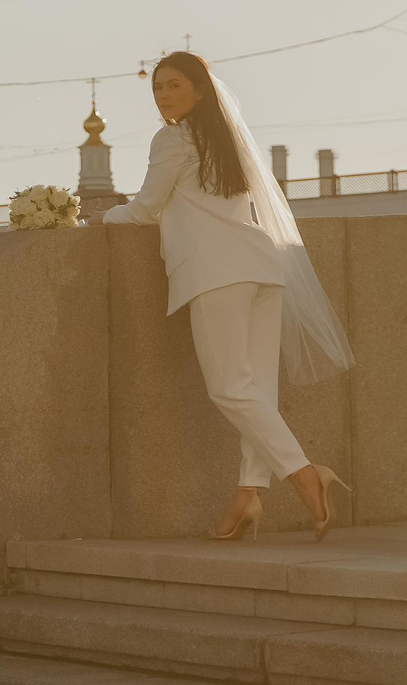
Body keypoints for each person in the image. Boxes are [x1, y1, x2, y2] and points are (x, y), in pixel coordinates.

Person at [103, 51, 353, 541]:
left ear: (200, 90)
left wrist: (98, 219)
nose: (163, 95)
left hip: (216, 272)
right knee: (256, 392)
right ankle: (246, 496)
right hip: (262, 267)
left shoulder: (172, 138)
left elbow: (145, 208)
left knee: (230, 389)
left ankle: (306, 476)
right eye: (157, 87)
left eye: (174, 85)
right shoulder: (227, 139)